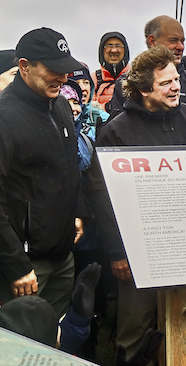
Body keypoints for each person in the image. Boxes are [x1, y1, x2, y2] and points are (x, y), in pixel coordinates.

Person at [88, 44, 186, 358]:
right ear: (143, 88)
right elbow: (103, 197)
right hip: (138, 249)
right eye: (166, 82)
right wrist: (117, 252)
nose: (176, 86)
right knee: (135, 331)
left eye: (176, 79)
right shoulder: (117, 131)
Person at [0, 27, 84, 321]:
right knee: (19, 348)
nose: (63, 78)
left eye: (66, 70)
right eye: (53, 70)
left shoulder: (60, 105)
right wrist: (15, 265)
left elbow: (69, 166)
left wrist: (77, 212)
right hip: (25, 265)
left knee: (54, 338)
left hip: (62, 255)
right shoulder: (4, 116)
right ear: (24, 66)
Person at [110, 15, 186, 115]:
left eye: (182, 41)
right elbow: (119, 128)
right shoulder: (127, 84)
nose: (180, 47)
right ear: (152, 41)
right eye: (173, 40)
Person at [92, 32, 130, 112]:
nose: (113, 50)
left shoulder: (136, 77)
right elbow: (87, 109)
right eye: (109, 46)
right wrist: (107, 107)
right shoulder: (92, 79)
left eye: (118, 46)